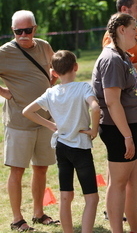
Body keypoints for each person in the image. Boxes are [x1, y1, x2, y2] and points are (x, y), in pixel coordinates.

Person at [23, 50, 100, 233]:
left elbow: (27, 111)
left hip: (62, 147)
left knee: (65, 196)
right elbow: (95, 108)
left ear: (54, 73)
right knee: (91, 197)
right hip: (80, 147)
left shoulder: (51, 92)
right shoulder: (83, 87)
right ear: (76, 67)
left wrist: (51, 125)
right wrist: (94, 130)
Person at [0, 10, 59, 231]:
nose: (23, 35)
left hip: (45, 119)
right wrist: (4, 93)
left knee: (41, 168)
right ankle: (17, 219)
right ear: (12, 31)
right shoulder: (4, 52)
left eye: (27, 30)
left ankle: (38, 212)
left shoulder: (43, 46)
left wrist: (52, 82)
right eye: (18, 31)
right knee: (17, 170)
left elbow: (55, 67)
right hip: (18, 122)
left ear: (35, 28)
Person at [93, 13, 137, 233]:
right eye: (134, 28)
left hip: (132, 128)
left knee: (132, 184)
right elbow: (112, 102)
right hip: (118, 130)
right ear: (121, 30)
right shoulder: (111, 59)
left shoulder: (123, 56)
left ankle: (136, 229)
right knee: (118, 184)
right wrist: (127, 136)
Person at [102, 0, 137, 214]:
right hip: (124, 107)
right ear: (125, 9)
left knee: (136, 159)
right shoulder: (112, 35)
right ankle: (114, 207)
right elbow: (117, 64)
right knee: (119, 159)